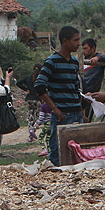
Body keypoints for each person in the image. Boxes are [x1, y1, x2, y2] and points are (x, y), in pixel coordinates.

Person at [35, 25, 83, 166]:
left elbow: (75, 88)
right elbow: (39, 85)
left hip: (76, 112)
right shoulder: (52, 62)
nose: (78, 43)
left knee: (78, 150)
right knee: (58, 151)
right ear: (65, 41)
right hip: (62, 113)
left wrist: (82, 111)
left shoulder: (74, 62)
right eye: (76, 40)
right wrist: (54, 108)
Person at [81, 37, 105, 121]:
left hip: (91, 95)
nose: (83, 51)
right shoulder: (82, 61)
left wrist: (98, 58)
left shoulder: (99, 59)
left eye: (85, 48)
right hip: (81, 95)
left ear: (93, 48)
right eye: (82, 49)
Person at [15, 63, 43, 141]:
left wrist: (26, 89)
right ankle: (34, 129)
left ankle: (30, 136)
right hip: (38, 99)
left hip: (29, 99)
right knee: (39, 116)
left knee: (31, 116)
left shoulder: (29, 78)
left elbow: (18, 83)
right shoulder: (40, 78)